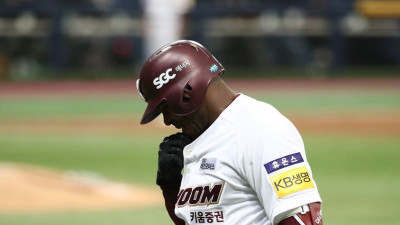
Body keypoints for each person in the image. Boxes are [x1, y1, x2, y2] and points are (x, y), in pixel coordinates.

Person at [136, 40, 323, 225]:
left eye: (166, 109)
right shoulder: (204, 138)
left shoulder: (260, 128)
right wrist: (171, 186)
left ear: (186, 94)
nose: (168, 121)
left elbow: (301, 220)